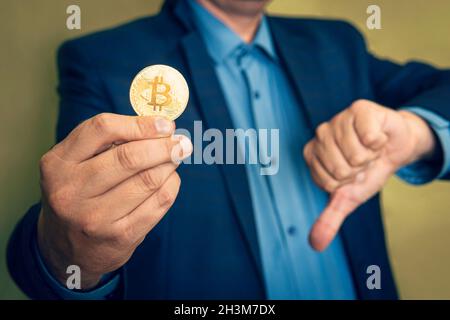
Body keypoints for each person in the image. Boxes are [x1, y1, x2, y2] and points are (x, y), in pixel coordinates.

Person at [7, 0, 450, 300]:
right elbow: (65, 233)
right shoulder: (102, 59)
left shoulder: (339, 43)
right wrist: (71, 257)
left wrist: (415, 133)